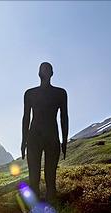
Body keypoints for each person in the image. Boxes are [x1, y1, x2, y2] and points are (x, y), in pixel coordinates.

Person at [21, 62, 68, 202]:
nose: (45, 71)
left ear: (52, 73)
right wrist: (23, 141)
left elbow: (64, 117)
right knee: (33, 177)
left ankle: (52, 208)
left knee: (50, 176)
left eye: (48, 69)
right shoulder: (30, 93)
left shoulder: (60, 93)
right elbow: (26, 117)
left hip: (52, 137)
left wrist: (64, 141)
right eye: (43, 68)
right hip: (34, 137)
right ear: (38, 73)